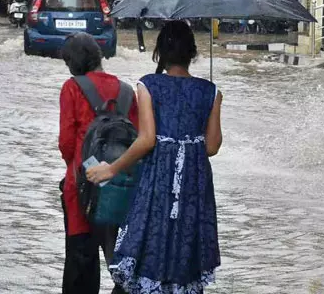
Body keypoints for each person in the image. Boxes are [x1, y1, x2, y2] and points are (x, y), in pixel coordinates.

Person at [87, 21, 223, 293]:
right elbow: (211, 146)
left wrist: (111, 170)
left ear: (159, 52)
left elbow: (147, 139)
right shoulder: (211, 91)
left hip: (159, 179)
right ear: (192, 54)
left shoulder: (148, 85)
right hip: (194, 184)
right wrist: (209, 105)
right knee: (184, 245)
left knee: (151, 242)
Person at [58, 33, 139, 294]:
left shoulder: (72, 88)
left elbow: (66, 143)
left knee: (81, 262)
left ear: (73, 62)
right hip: (120, 188)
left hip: (82, 187)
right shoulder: (127, 92)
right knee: (122, 262)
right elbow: (138, 141)